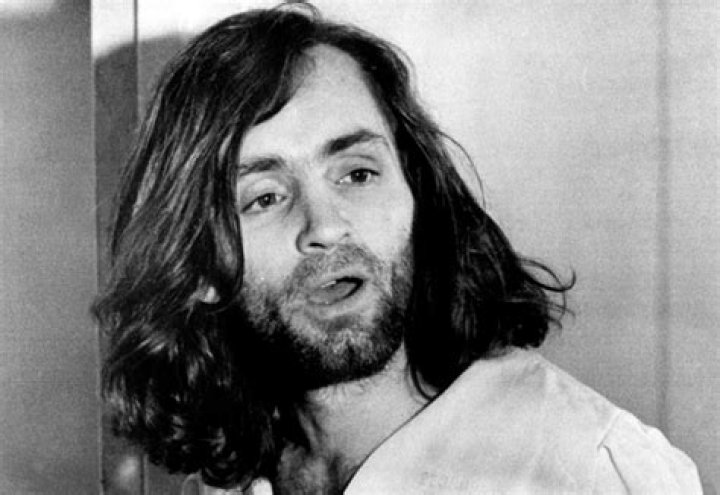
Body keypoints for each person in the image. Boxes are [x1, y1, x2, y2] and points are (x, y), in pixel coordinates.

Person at [93, 4, 702, 494]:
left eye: (357, 173)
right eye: (265, 197)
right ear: (199, 266)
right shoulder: (228, 478)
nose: (326, 227)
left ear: (418, 195)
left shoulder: (587, 468)